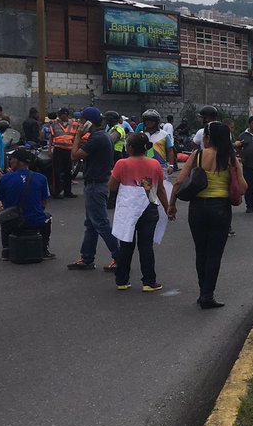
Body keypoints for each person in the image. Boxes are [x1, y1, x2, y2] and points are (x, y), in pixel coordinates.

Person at [169, 120, 246, 309]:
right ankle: (207, 294)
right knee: (214, 254)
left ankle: (203, 291)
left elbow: (179, 182)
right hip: (220, 209)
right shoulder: (230, 158)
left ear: (208, 138)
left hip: (197, 209)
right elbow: (243, 188)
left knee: (201, 251)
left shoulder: (197, 155)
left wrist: (172, 205)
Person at [109, 132, 170, 292]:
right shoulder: (155, 164)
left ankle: (122, 280)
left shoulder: (122, 164)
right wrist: (168, 208)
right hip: (149, 207)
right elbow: (161, 189)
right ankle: (149, 281)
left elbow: (112, 186)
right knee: (146, 246)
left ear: (129, 148)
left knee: (126, 244)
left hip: (128, 209)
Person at [66, 107, 120, 272]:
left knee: (100, 223)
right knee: (91, 224)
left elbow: (74, 155)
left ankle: (119, 257)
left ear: (89, 122)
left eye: (81, 120)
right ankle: (87, 257)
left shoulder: (97, 138)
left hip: (96, 185)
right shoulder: (103, 136)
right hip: (97, 183)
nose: (79, 123)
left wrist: (77, 136)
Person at [48, 107, 77, 198]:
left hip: (69, 150)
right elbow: (51, 137)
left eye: (62, 114)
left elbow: (76, 137)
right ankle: (56, 192)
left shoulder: (74, 124)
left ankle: (67, 191)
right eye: (59, 114)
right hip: (58, 149)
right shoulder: (54, 124)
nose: (60, 116)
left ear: (66, 114)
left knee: (68, 171)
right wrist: (49, 149)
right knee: (57, 171)